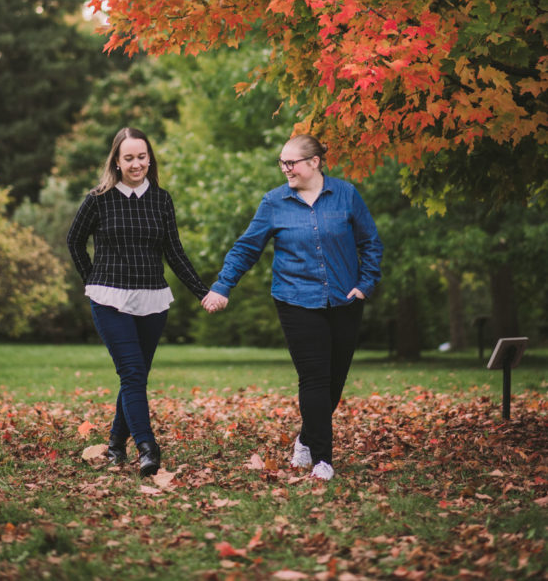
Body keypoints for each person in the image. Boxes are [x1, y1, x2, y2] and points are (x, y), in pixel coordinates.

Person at [202, 133, 383, 481]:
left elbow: (370, 243)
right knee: (314, 378)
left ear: (314, 162)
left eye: (291, 163)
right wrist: (223, 286)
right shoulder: (274, 202)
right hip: (296, 300)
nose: (285, 169)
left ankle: (306, 436)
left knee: (334, 382)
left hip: (344, 300)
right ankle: (322, 459)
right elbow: (246, 248)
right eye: (282, 163)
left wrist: (365, 284)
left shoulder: (345, 195)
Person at [67, 126, 213, 477]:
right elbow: (75, 241)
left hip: (153, 300)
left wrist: (201, 291)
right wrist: (94, 280)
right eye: (129, 157)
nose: (136, 164)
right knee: (132, 373)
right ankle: (148, 447)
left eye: (142, 157)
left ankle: (116, 444)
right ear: (116, 161)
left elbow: (174, 252)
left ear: (150, 158)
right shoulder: (99, 198)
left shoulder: (161, 200)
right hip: (110, 300)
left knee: (136, 376)